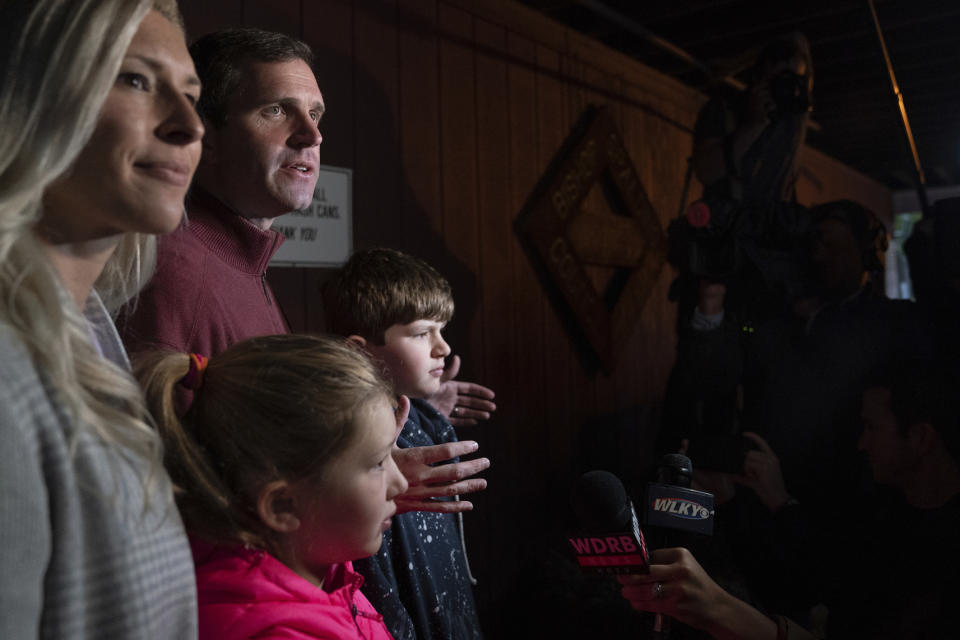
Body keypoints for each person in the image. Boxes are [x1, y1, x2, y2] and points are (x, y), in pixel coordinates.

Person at [118, 26, 496, 428]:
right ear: (207, 137)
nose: (312, 135)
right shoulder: (175, 274)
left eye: (315, 114)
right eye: (277, 110)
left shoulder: (242, 259)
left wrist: (406, 430)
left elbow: (271, 446)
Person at [0, 1, 203, 637]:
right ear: (32, 97)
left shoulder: (90, 336)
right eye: (135, 79)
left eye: (193, 94)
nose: (189, 124)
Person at [136, 334, 408, 639]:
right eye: (378, 464)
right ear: (283, 505)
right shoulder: (276, 632)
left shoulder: (312, 559)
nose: (401, 484)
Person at [328, 248, 488, 640]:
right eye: (421, 333)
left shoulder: (419, 415)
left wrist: (429, 415)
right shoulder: (352, 445)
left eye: (442, 330)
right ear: (359, 350)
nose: (443, 348)